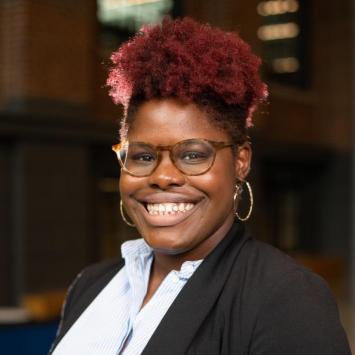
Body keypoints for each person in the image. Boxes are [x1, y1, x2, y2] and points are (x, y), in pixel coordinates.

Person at [49, 17, 351, 355]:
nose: (162, 177)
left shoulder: (286, 298)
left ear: (241, 162)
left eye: (192, 155)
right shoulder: (91, 284)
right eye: (143, 156)